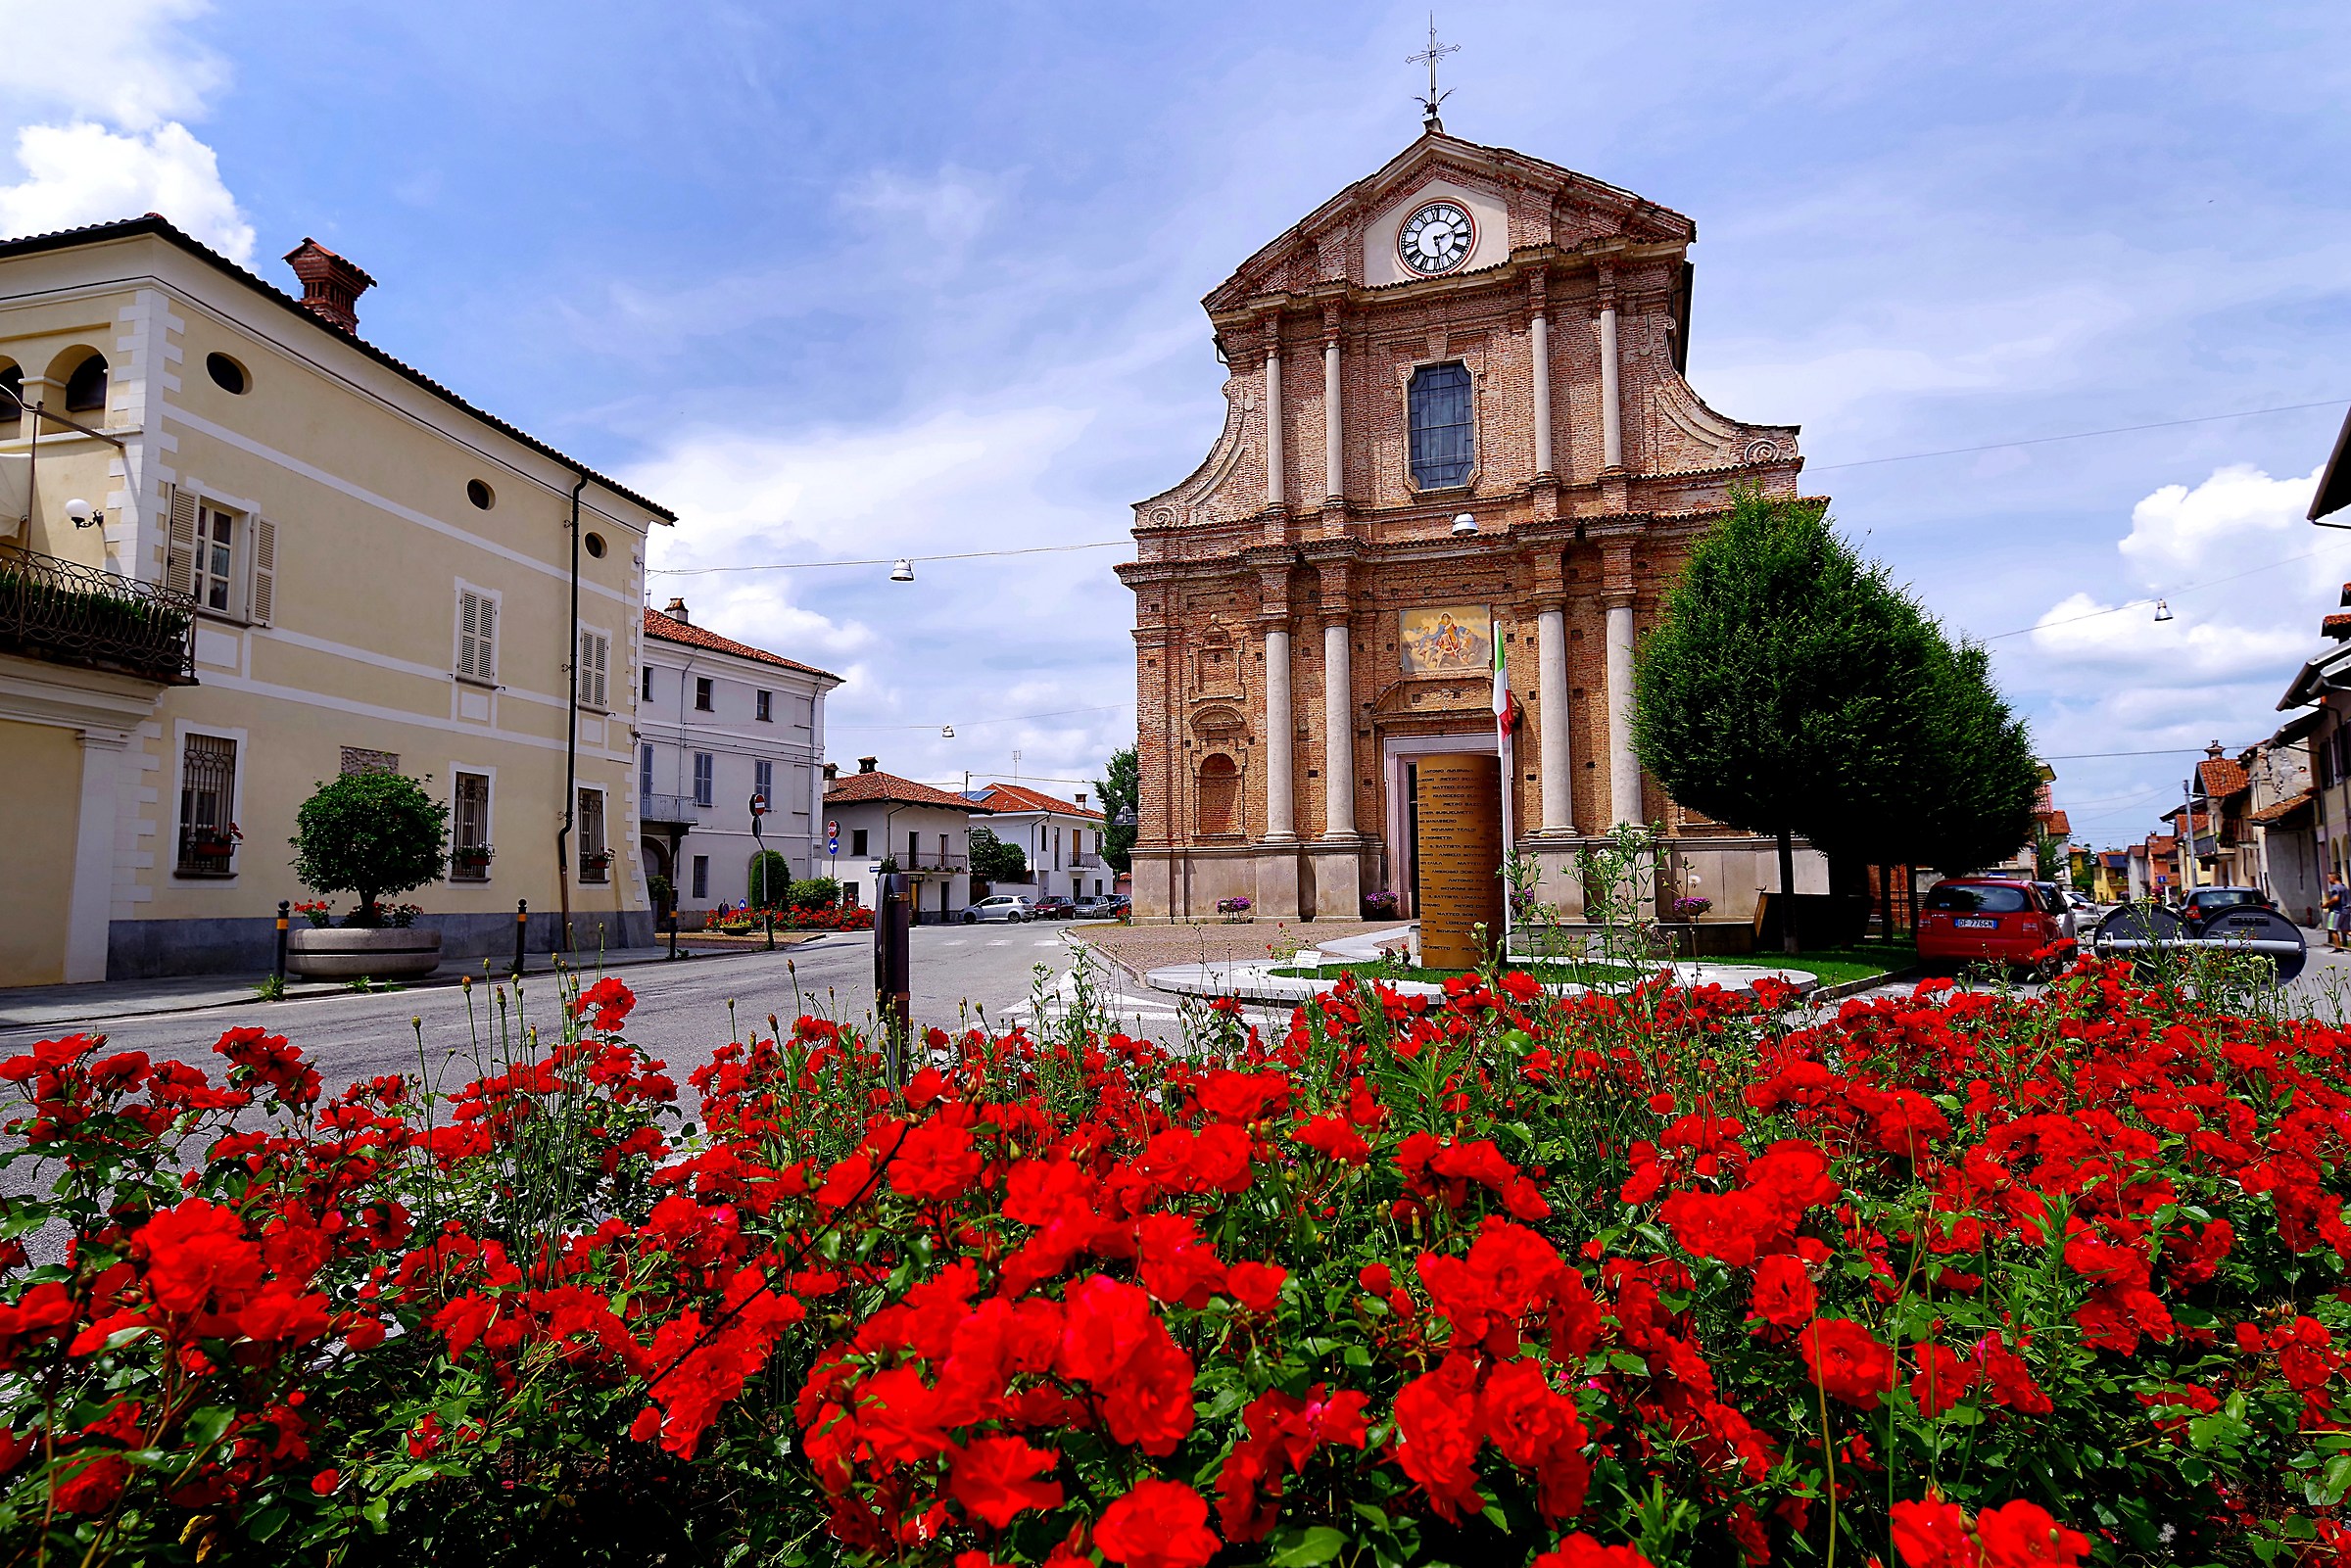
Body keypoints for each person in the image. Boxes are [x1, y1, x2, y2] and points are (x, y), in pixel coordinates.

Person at [2327, 876, 2348, 950]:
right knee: (2346, 930)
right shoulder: (2344, 887)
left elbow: (2335, 898)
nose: (2328, 880)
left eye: (2329, 878)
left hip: (2337, 910)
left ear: (2334, 878)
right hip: (2346, 909)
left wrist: (2327, 904)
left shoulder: (2335, 887)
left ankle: (2338, 948)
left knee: (2333, 929)